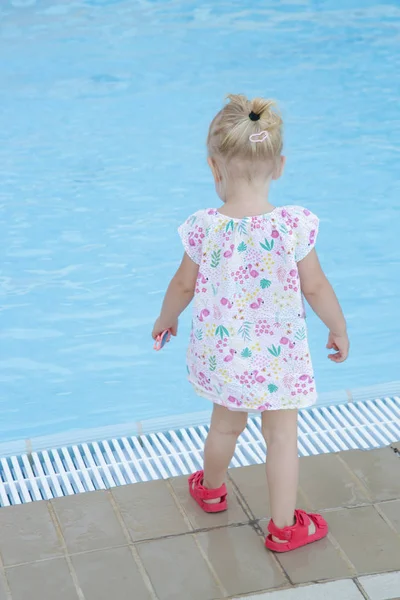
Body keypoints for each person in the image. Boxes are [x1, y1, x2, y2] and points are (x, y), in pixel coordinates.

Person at [152, 94, 349, 552]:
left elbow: (182, 286)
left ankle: (212, 489)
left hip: (227, 359)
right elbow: (315, 287)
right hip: (279, 360)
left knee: (224, 427)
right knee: (281, 436)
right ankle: (284, 528)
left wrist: (165, 320)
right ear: (278, 165)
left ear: (213, 167)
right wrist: (337, 327)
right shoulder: (293, 226)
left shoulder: (204, 227)